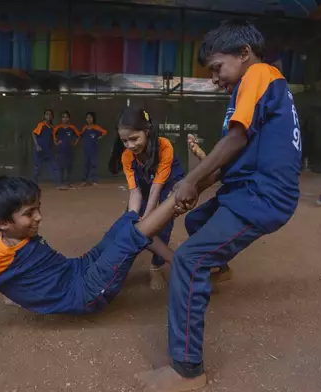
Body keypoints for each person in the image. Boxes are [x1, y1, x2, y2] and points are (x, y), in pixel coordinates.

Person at [136, 20, 302, 392]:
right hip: (244, 189)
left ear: (244, 54)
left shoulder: (259, 73)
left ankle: (187, 371)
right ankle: (220, 269)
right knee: (197, 221)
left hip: (262, 198)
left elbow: (236, 139)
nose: (215, 79)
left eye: (217, 68)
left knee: (189, 261)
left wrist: (191, 180)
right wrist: (196, 187)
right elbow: (231, 156)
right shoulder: (256, 85)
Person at [0, 174, 212, 390]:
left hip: (78, 268)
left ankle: (179, 262)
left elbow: (23, 275)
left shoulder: (16, 240)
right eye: (30, 213)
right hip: (85, 292)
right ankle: (181, 197)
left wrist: (18, 292)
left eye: (38, 208)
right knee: (132, 236)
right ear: (3, 223)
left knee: (125, 225)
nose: (39, 217)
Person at [108, 107, 184, 290]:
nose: (129, 145)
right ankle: (118, 267)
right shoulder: (127, 156)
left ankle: (156, 267)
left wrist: (148, 220)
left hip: (167, 184)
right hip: (145, 184)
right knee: (130, 223)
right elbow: (135, 192)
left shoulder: (164, 146)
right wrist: (134, 219)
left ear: (147, 131)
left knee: (161, 223)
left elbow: (156, 188)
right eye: (124, 141)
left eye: (134, 139)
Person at [31, 109, 60, 186]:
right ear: (44, 116)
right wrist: (37, 145)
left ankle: (59, 184)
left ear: (52, 117)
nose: (48, 116)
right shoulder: (41, 125)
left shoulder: (52, 128)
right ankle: (33, 185)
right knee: (37, 168)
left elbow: (54, 140)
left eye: (50, 114)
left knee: (54, 167)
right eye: (47, 114)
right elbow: (34, 134)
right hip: (40, 150)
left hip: (49, 151)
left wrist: (57, 143)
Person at [53, 110, 80, 189]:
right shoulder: (58, 127)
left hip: (70, 150)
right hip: (60, 151)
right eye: (63, 117)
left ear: (69, 118)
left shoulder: (72, 127)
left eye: (66, 117)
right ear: (61, 119)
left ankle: (68, 182)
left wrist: (75, 143)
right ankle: (60, 183)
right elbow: (53, 136)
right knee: (60, 167)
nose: (65, 119)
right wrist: (56, 143)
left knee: (69, 167)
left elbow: (78, 135)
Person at [80, 111, 107, 186]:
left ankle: (94, 180)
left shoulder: (96, 127)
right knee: (85, 165)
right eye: (87, 118)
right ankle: (84, 180)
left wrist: (99, 137)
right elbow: (80, 134)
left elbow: (105, 132)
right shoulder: (85, 128)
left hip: (94, 149)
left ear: (93, 118)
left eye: (90, 117)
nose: (89, 119)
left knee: (94, 164)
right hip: (86, 150)